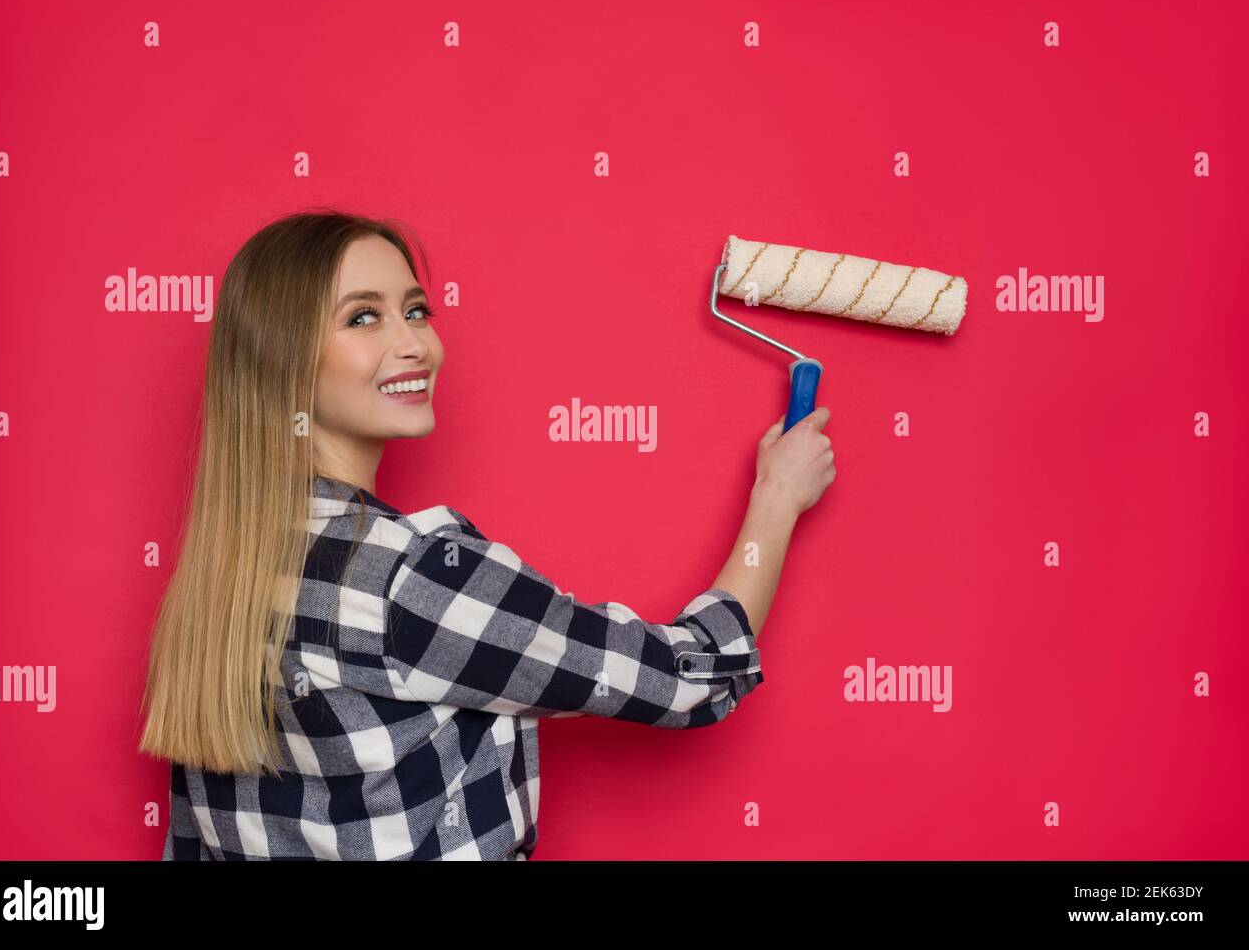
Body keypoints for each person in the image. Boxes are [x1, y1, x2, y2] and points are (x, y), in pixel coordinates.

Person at [138, 209, 837, 860]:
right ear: (280, 360)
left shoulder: (215, 583)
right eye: (363, 319)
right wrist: (777, 500)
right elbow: (689, 676)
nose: (414, 344)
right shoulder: (414, 582)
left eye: (415, 311)